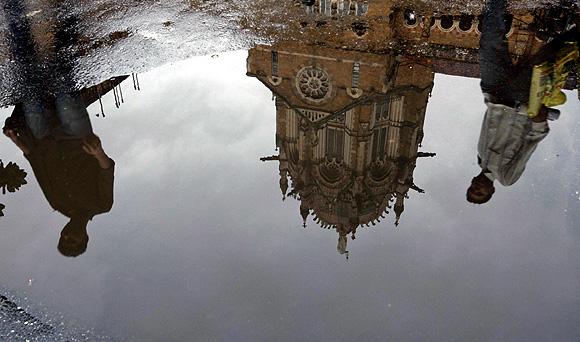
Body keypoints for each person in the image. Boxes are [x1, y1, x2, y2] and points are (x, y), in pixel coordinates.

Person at [2, 0, 115, 256]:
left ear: (62, 234)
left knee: (28, 85)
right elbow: (107, 171)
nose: (70, 236)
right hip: (77, 137)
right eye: (75, 241)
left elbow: (38, 166)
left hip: (43, 137)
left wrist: (18, 142)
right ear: (84, 237)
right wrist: (98, 153)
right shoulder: (101, 205)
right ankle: (67, 17)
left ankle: (13, 13)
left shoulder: (57, 203)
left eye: (65, 239)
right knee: (63, 86)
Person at [466, 0, 551, 204]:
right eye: (479, 193)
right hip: (520, 100)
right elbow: (528, 147)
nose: (476, 187)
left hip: (494, 91)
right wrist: (539, 122)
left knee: (489, 40)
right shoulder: (506, 177)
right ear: (491, 192)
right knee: (548, 55)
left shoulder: (480, 156)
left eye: (471, 189)